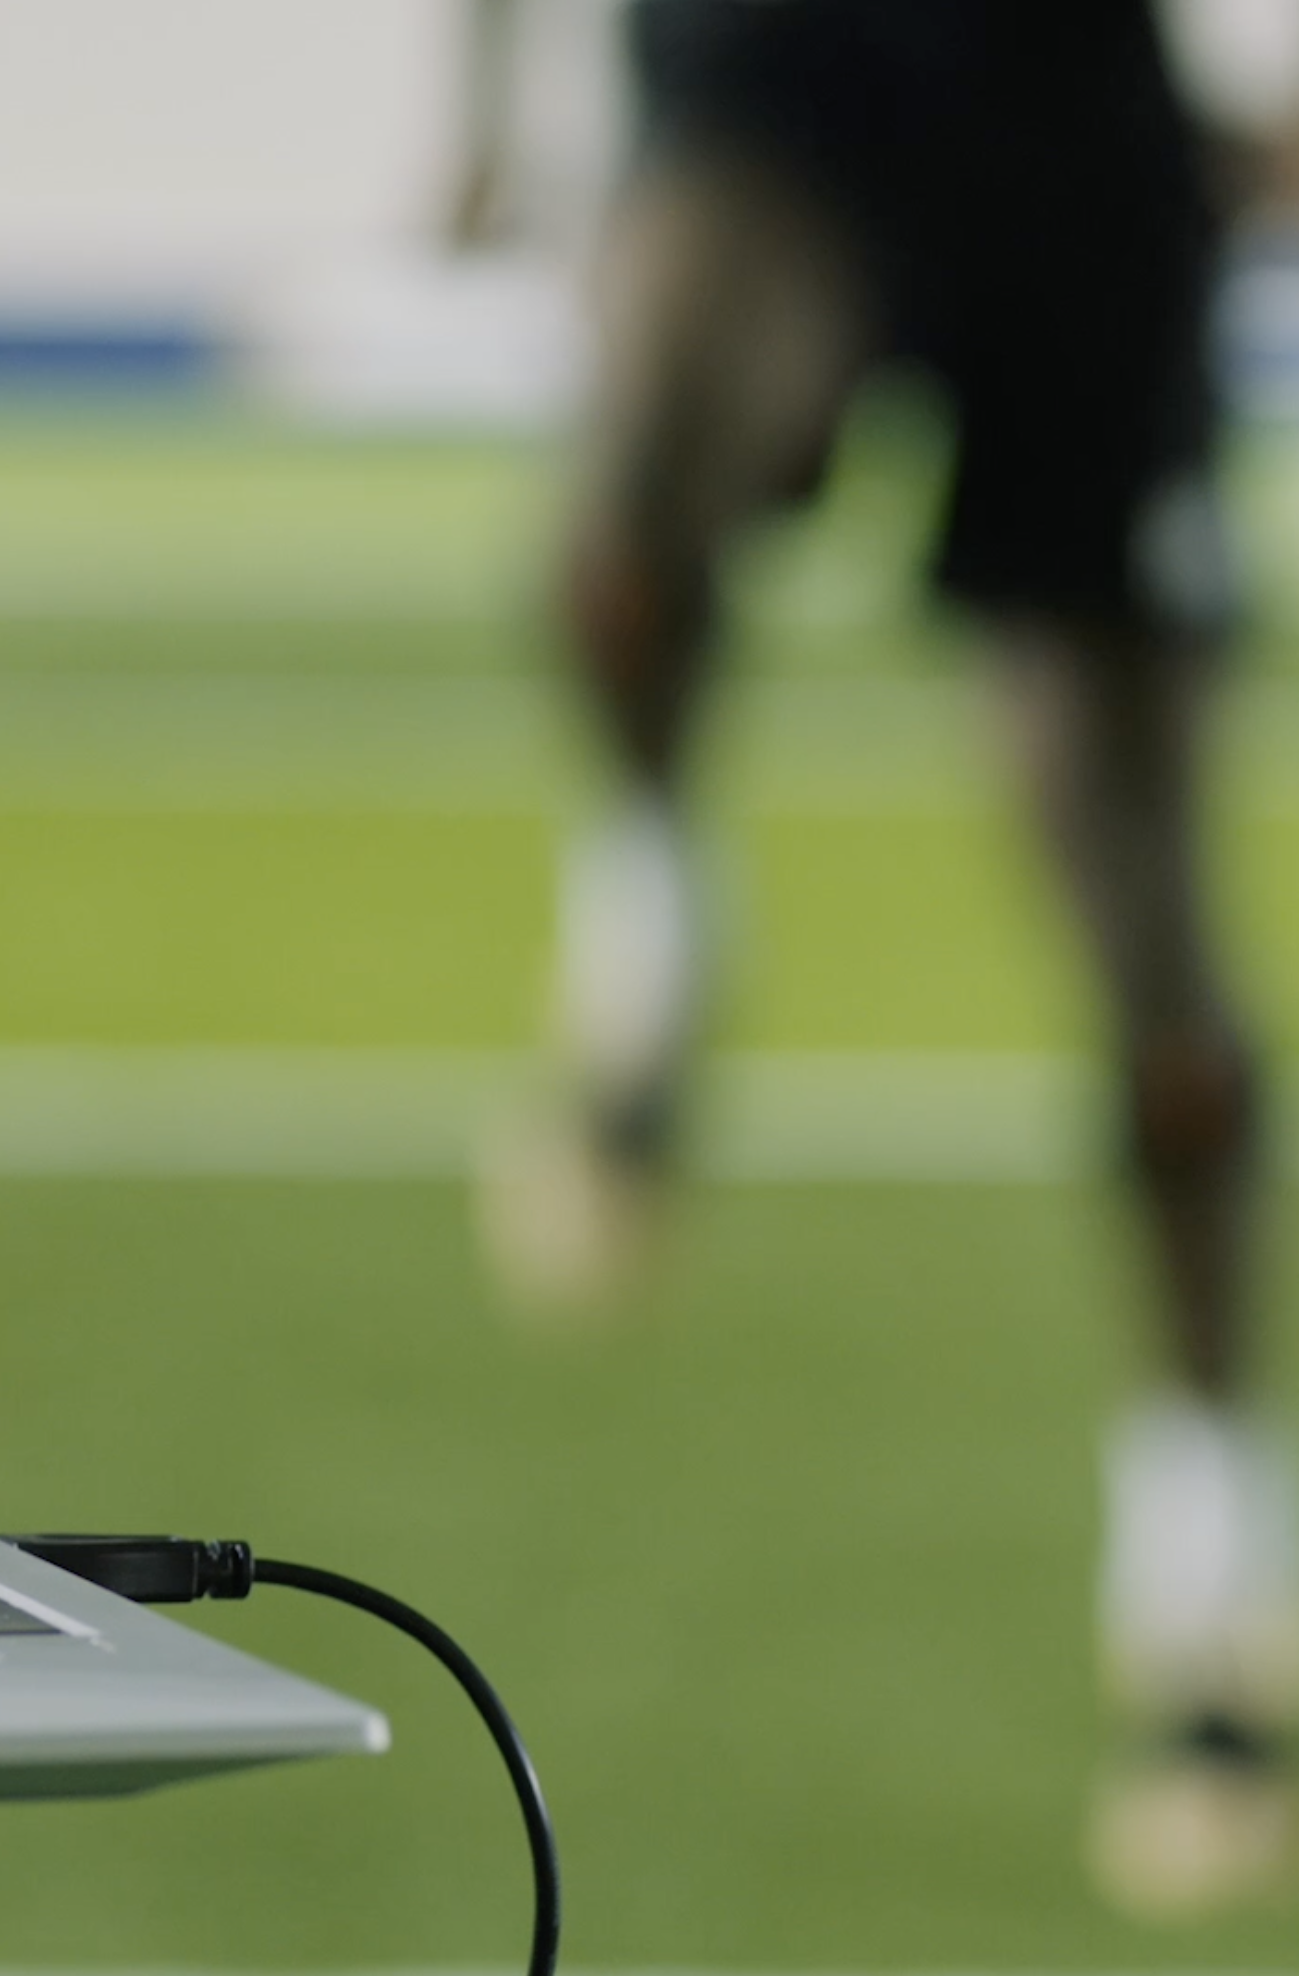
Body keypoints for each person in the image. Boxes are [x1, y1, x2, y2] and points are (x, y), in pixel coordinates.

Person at [469, 0, 1297, 1915]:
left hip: (1063, 108)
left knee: (1156, 974)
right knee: (623, 507)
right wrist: (488, 102)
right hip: (776, 62)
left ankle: (1200, 1569)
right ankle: (650, 919)